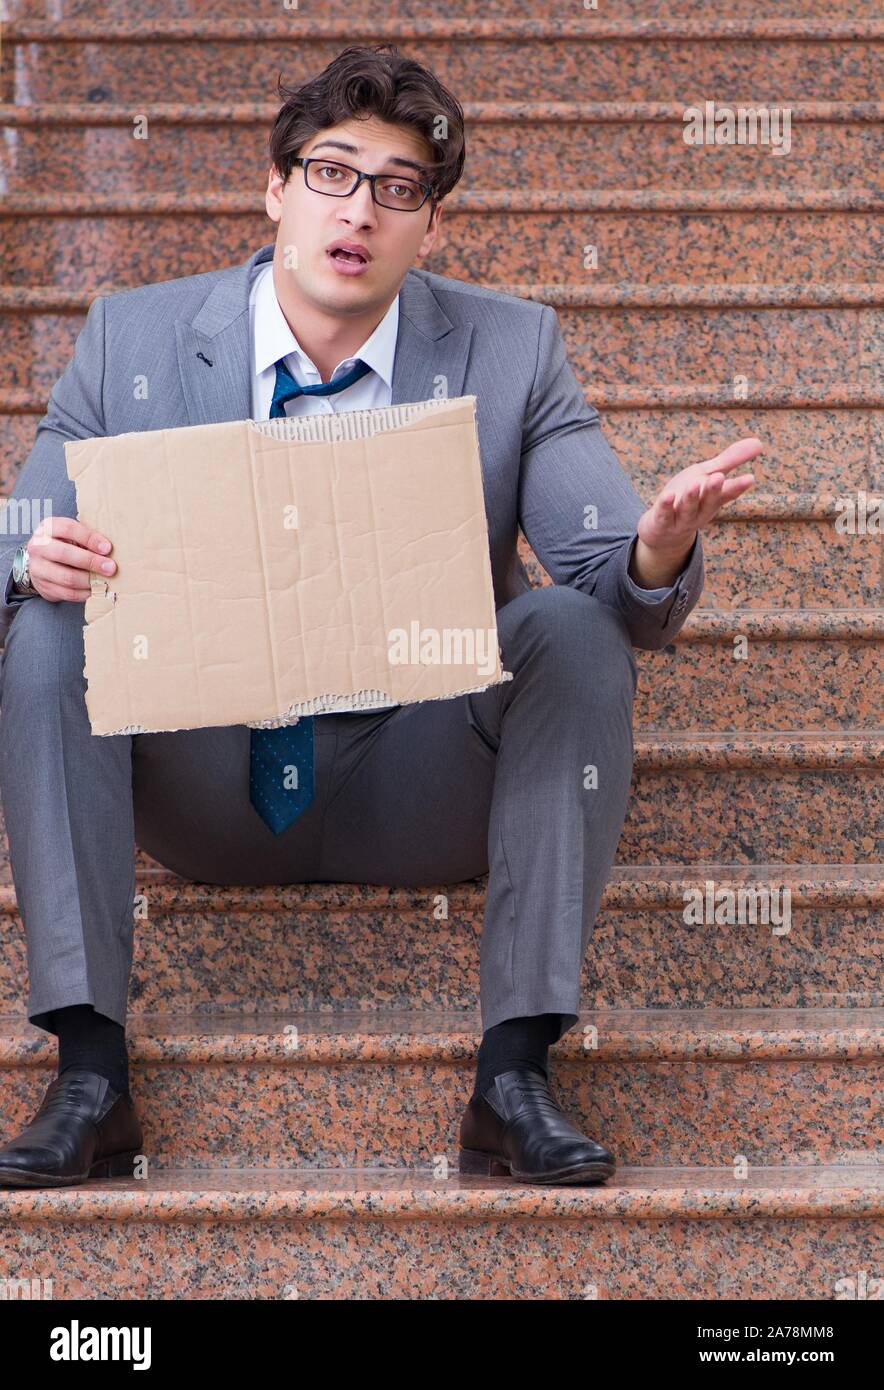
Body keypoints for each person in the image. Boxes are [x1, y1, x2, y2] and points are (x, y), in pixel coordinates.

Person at [0, 44, 757, 1189]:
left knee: (567, 628)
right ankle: (91, 1070)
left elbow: (616, 587)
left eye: (399, 188)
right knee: (47, 621)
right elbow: (18, 525)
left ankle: (512, 1077)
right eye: (331, 173)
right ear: (275, 188)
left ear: (429, 227)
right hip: (208, 781)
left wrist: (658, 541)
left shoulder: (510, 349)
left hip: (422, 776)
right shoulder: (132, 339)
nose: (360, 210)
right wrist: (29, 554)